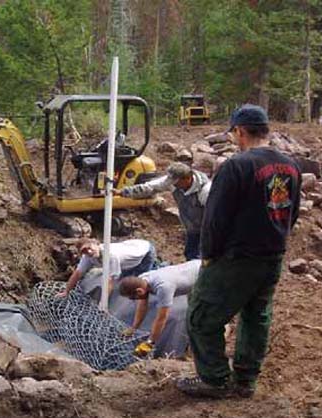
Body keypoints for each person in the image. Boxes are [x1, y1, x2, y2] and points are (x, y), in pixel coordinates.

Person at [177, 104, 301, 399]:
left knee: (201, 315)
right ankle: (245, 380)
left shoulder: (237, 166)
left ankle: (215, 379)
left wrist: (208, 255)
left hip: (237, 258)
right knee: (256, 316)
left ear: (240, 131)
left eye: (233, 132)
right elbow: (292, 211)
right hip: (272, 256)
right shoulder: (291, 166)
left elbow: (216, 218)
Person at [115, 162, 211, 260]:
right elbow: (150, 187)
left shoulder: (205, 192)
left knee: (204, 257)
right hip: (192, 228)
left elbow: (215, 215)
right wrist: (123, 192)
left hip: (209, 230)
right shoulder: (173, 183)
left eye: (176, 183)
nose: (173, 185)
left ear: (187, 178)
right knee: (191, 255)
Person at [119, 259, 201, 357]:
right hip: (191, 269)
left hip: (204, 274)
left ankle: (196, 351)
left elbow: (161, 318)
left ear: (139, 291)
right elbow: (142, 306)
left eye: (133, 298)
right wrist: (133, 328)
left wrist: (150, 342)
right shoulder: (143, 279)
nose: (133, 300)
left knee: (200, 313)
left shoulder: (163, 287)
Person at [57, 238, 156, 298]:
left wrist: (103, 303)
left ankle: (157, 270)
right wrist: (66, 291)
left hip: (144, 251)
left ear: (96, 244)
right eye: (84, 251)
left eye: (89, 248)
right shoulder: (87, 257)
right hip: (128, 254)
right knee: (124, 280)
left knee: (140, 281)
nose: (89, 252)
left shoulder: (111, 255)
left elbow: (109, 280)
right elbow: (77, 273)